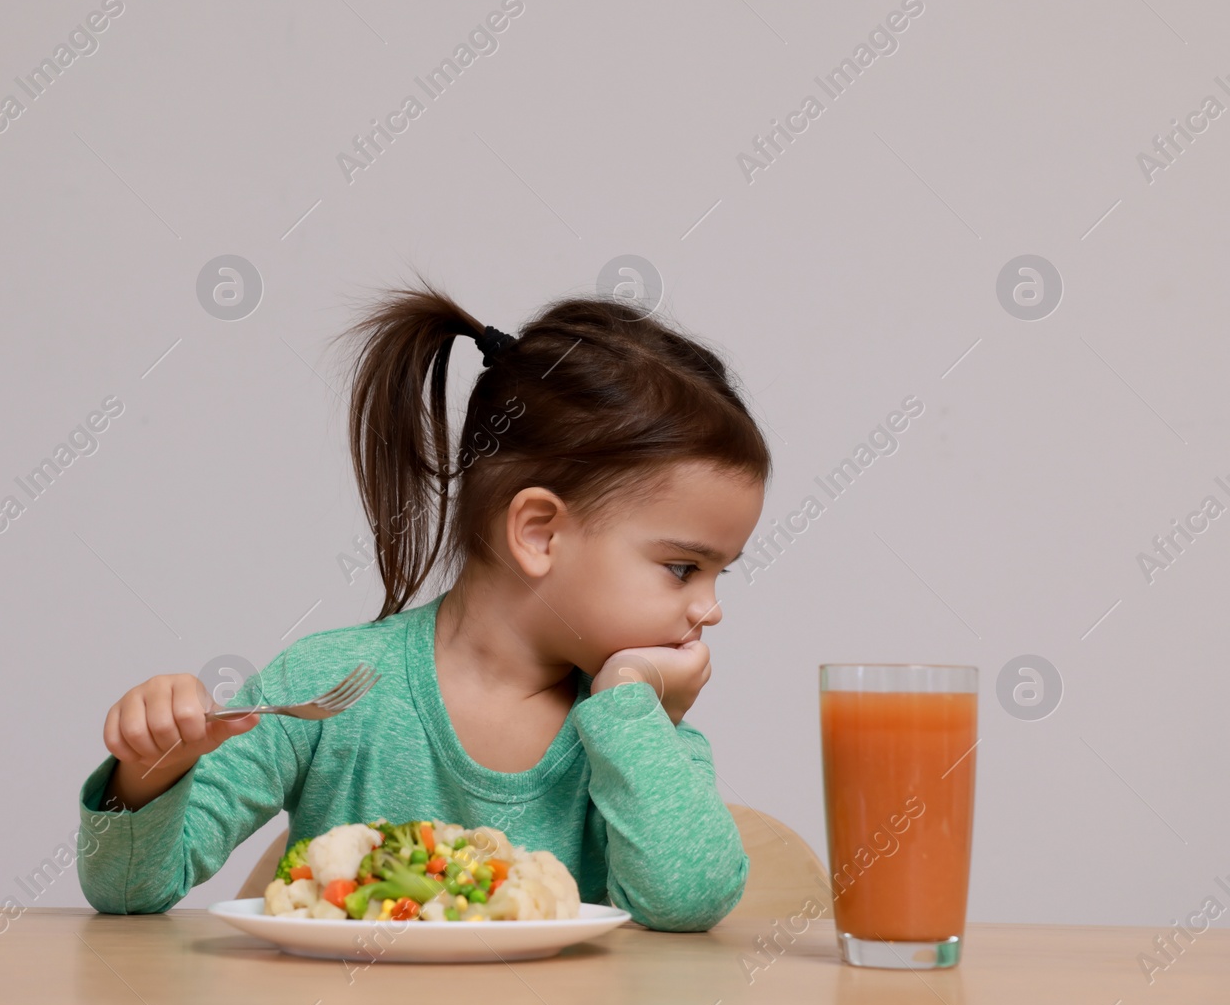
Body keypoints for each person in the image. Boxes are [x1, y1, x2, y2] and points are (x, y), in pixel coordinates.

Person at [76, 280, 771, 931]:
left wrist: (631, 711)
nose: (709, 609)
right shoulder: (327, 686)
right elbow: (129, 890)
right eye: (684, 567)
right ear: (539, 532)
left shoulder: (637, 726)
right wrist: (149, 770)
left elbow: (690, 901)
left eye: (718, 574)